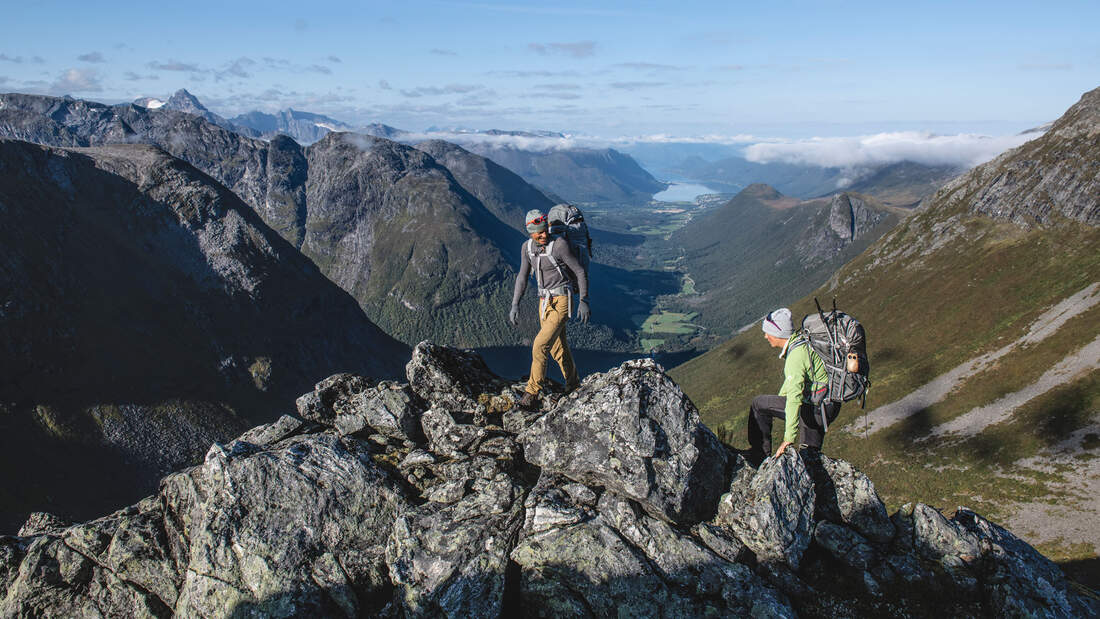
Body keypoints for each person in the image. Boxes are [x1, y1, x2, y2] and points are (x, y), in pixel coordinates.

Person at [510, 209, 590, 410]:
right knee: (557, 347)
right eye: (539, 233)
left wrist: (584, 300)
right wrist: (514, 304)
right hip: (543, 301)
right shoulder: (527, 248)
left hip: (563, 299)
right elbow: (522, 276)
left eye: (545, 230)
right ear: (530, 232)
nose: (544, 235)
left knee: (540, 345)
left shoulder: (559, 245)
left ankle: (532, 391)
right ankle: (573, 384)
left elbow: (579, 270)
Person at [746, 307, 841, 465]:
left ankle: (759, 456)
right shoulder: (803, 342)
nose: (765, 336)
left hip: (815, 409)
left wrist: (788, 439)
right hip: (828, 405)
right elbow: (795, 384)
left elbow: (794, 399)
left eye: (767, 332)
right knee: (809, 456)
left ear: (778, 333)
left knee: (758, 404)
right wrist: (782, 396)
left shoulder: (795, 356)